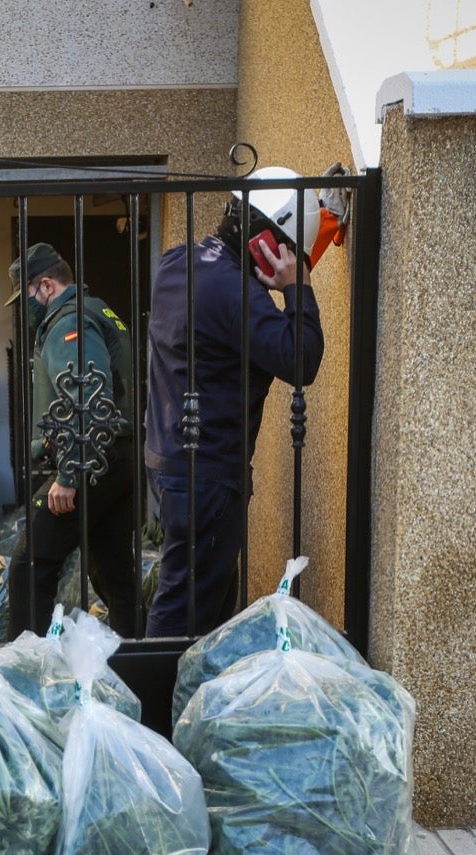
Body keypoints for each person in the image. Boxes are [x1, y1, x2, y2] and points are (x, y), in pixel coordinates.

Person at [143, 165, 329, 637]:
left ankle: (187, 701)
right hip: (206, 475)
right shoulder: (237, 294)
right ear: (265, 244)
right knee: (184, 613)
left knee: (202, 605)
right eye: (290, 252)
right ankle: (154, 707)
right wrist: (296, 288)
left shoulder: (178, 262)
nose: (293, 262)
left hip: (169, 458)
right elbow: (301, 360)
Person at [4, 243, 138, 637]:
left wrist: (69, 474)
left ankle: (25, 667)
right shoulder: (98, 310)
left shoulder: (68, 322)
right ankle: (134, 657)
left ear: (45, 285)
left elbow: (89, 396)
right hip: (114, 456)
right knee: (113, 568)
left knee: (30, 565)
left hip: (92, 460)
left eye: (25, 297)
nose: (22, 308)